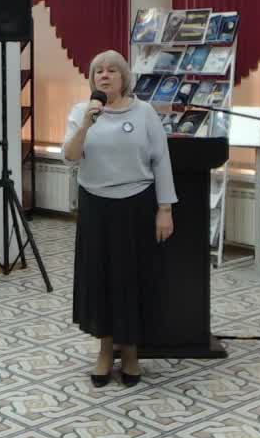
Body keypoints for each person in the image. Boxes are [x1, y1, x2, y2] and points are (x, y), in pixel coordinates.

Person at [63, 49, 176, 388]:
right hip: (96, 206)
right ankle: (104, 350)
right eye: (98, 71)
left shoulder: (144, 113)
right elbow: (70, 156)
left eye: (112, 70)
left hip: (136, 205)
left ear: (125, 77)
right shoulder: (82, 111)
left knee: (131, 280)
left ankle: (130, 353)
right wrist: (87, 124)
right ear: (92, 79)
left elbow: (161, 161)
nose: (105, 75)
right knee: (100, 280)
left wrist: (165, 209)